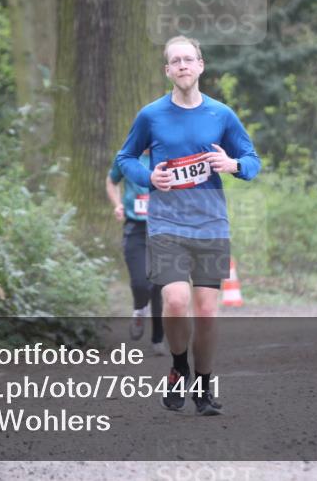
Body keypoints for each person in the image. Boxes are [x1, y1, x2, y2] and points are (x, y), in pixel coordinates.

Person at [116, 35, 260, 416]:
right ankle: (179, 365)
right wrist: (149, 177)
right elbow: (126, 157)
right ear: (168, 70)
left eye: (188, 59)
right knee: (176, 301)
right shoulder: (151, 115)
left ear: (200, 65)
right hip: (166, 224)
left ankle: (204, 384)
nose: (182, 65)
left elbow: (252, 158)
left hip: (212, 224)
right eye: (175, 61)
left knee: (207, 313)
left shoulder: (221, 115)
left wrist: (235, 166)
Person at [106, 151, 166, 355]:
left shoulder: (168, 152)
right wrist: (118, 205)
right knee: (141, 284)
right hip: (135, 229)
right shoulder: (126, 156)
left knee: (159, 288)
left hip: (163, 229)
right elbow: (111, 181)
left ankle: (158, 339)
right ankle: (140, 309)